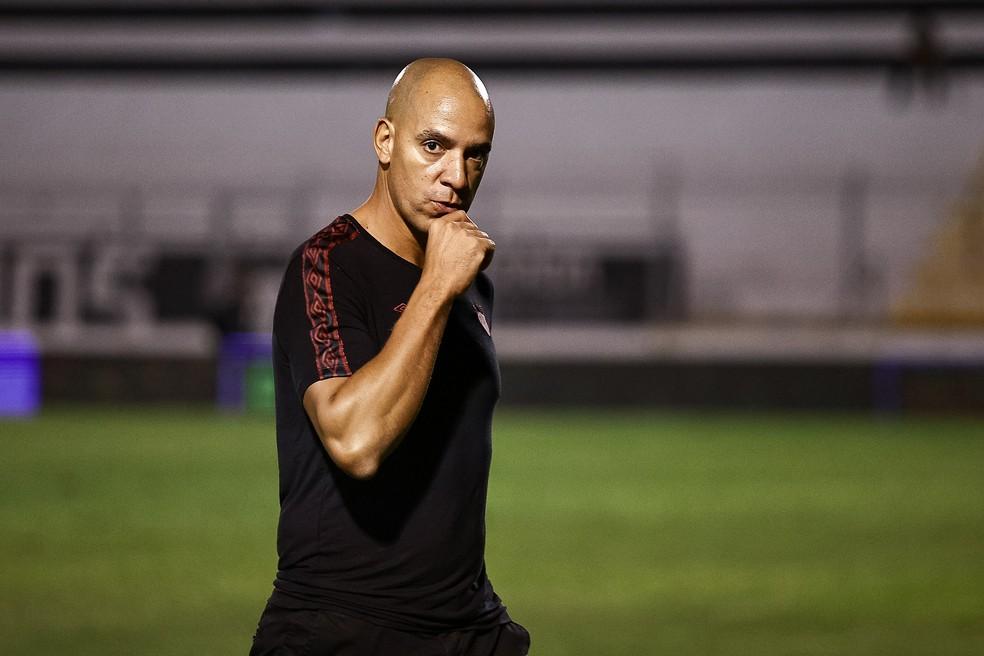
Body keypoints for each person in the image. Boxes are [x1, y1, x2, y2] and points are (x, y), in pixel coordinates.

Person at [248, 58, 530, 656]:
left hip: (466, 628)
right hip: (343, 628)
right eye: (434, 146)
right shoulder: (326, 264)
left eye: (475, 153)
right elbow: (356, 441)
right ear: (385, 140)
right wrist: (434, 287)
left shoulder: (467, 280)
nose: (455, 175)